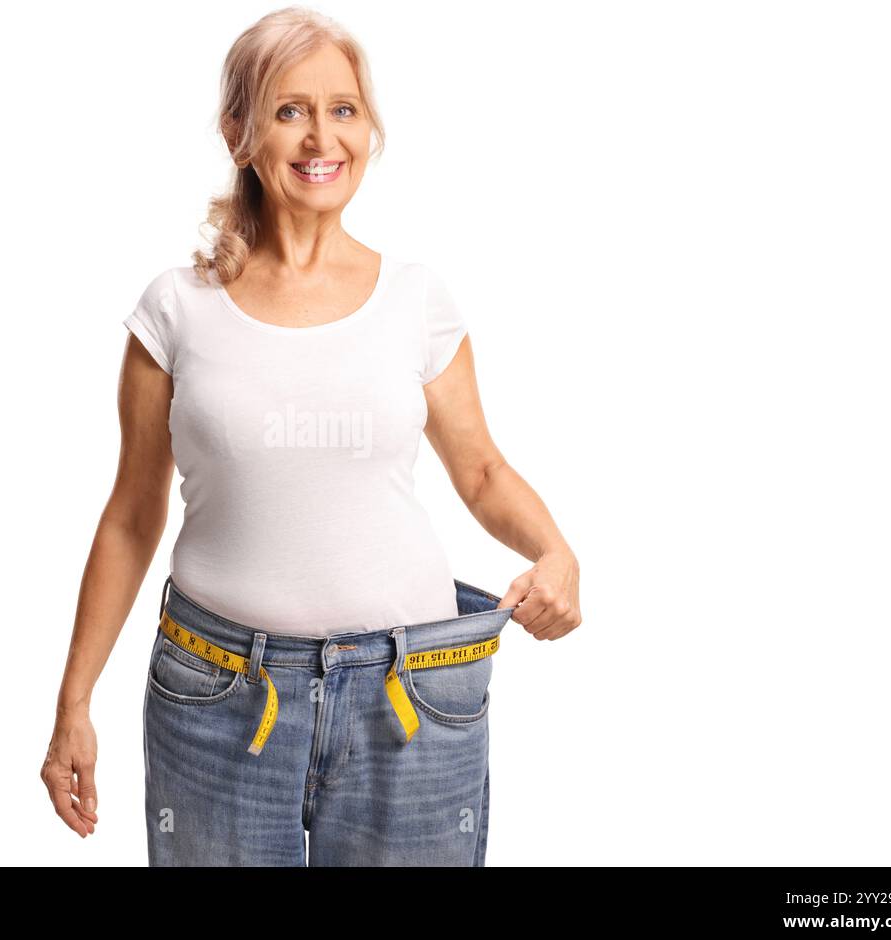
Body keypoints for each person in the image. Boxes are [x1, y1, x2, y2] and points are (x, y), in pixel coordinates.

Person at [41, 5, 581, 866]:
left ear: (368, 130)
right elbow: (131, 515)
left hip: (411, 704)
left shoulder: (418, 300)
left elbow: (480, 472)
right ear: (239, 132)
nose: (319, 136)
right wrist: (74, 703)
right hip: (217, 699)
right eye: (289, 110)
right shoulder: (174, 310)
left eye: (343, 109)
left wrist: (558, 553)